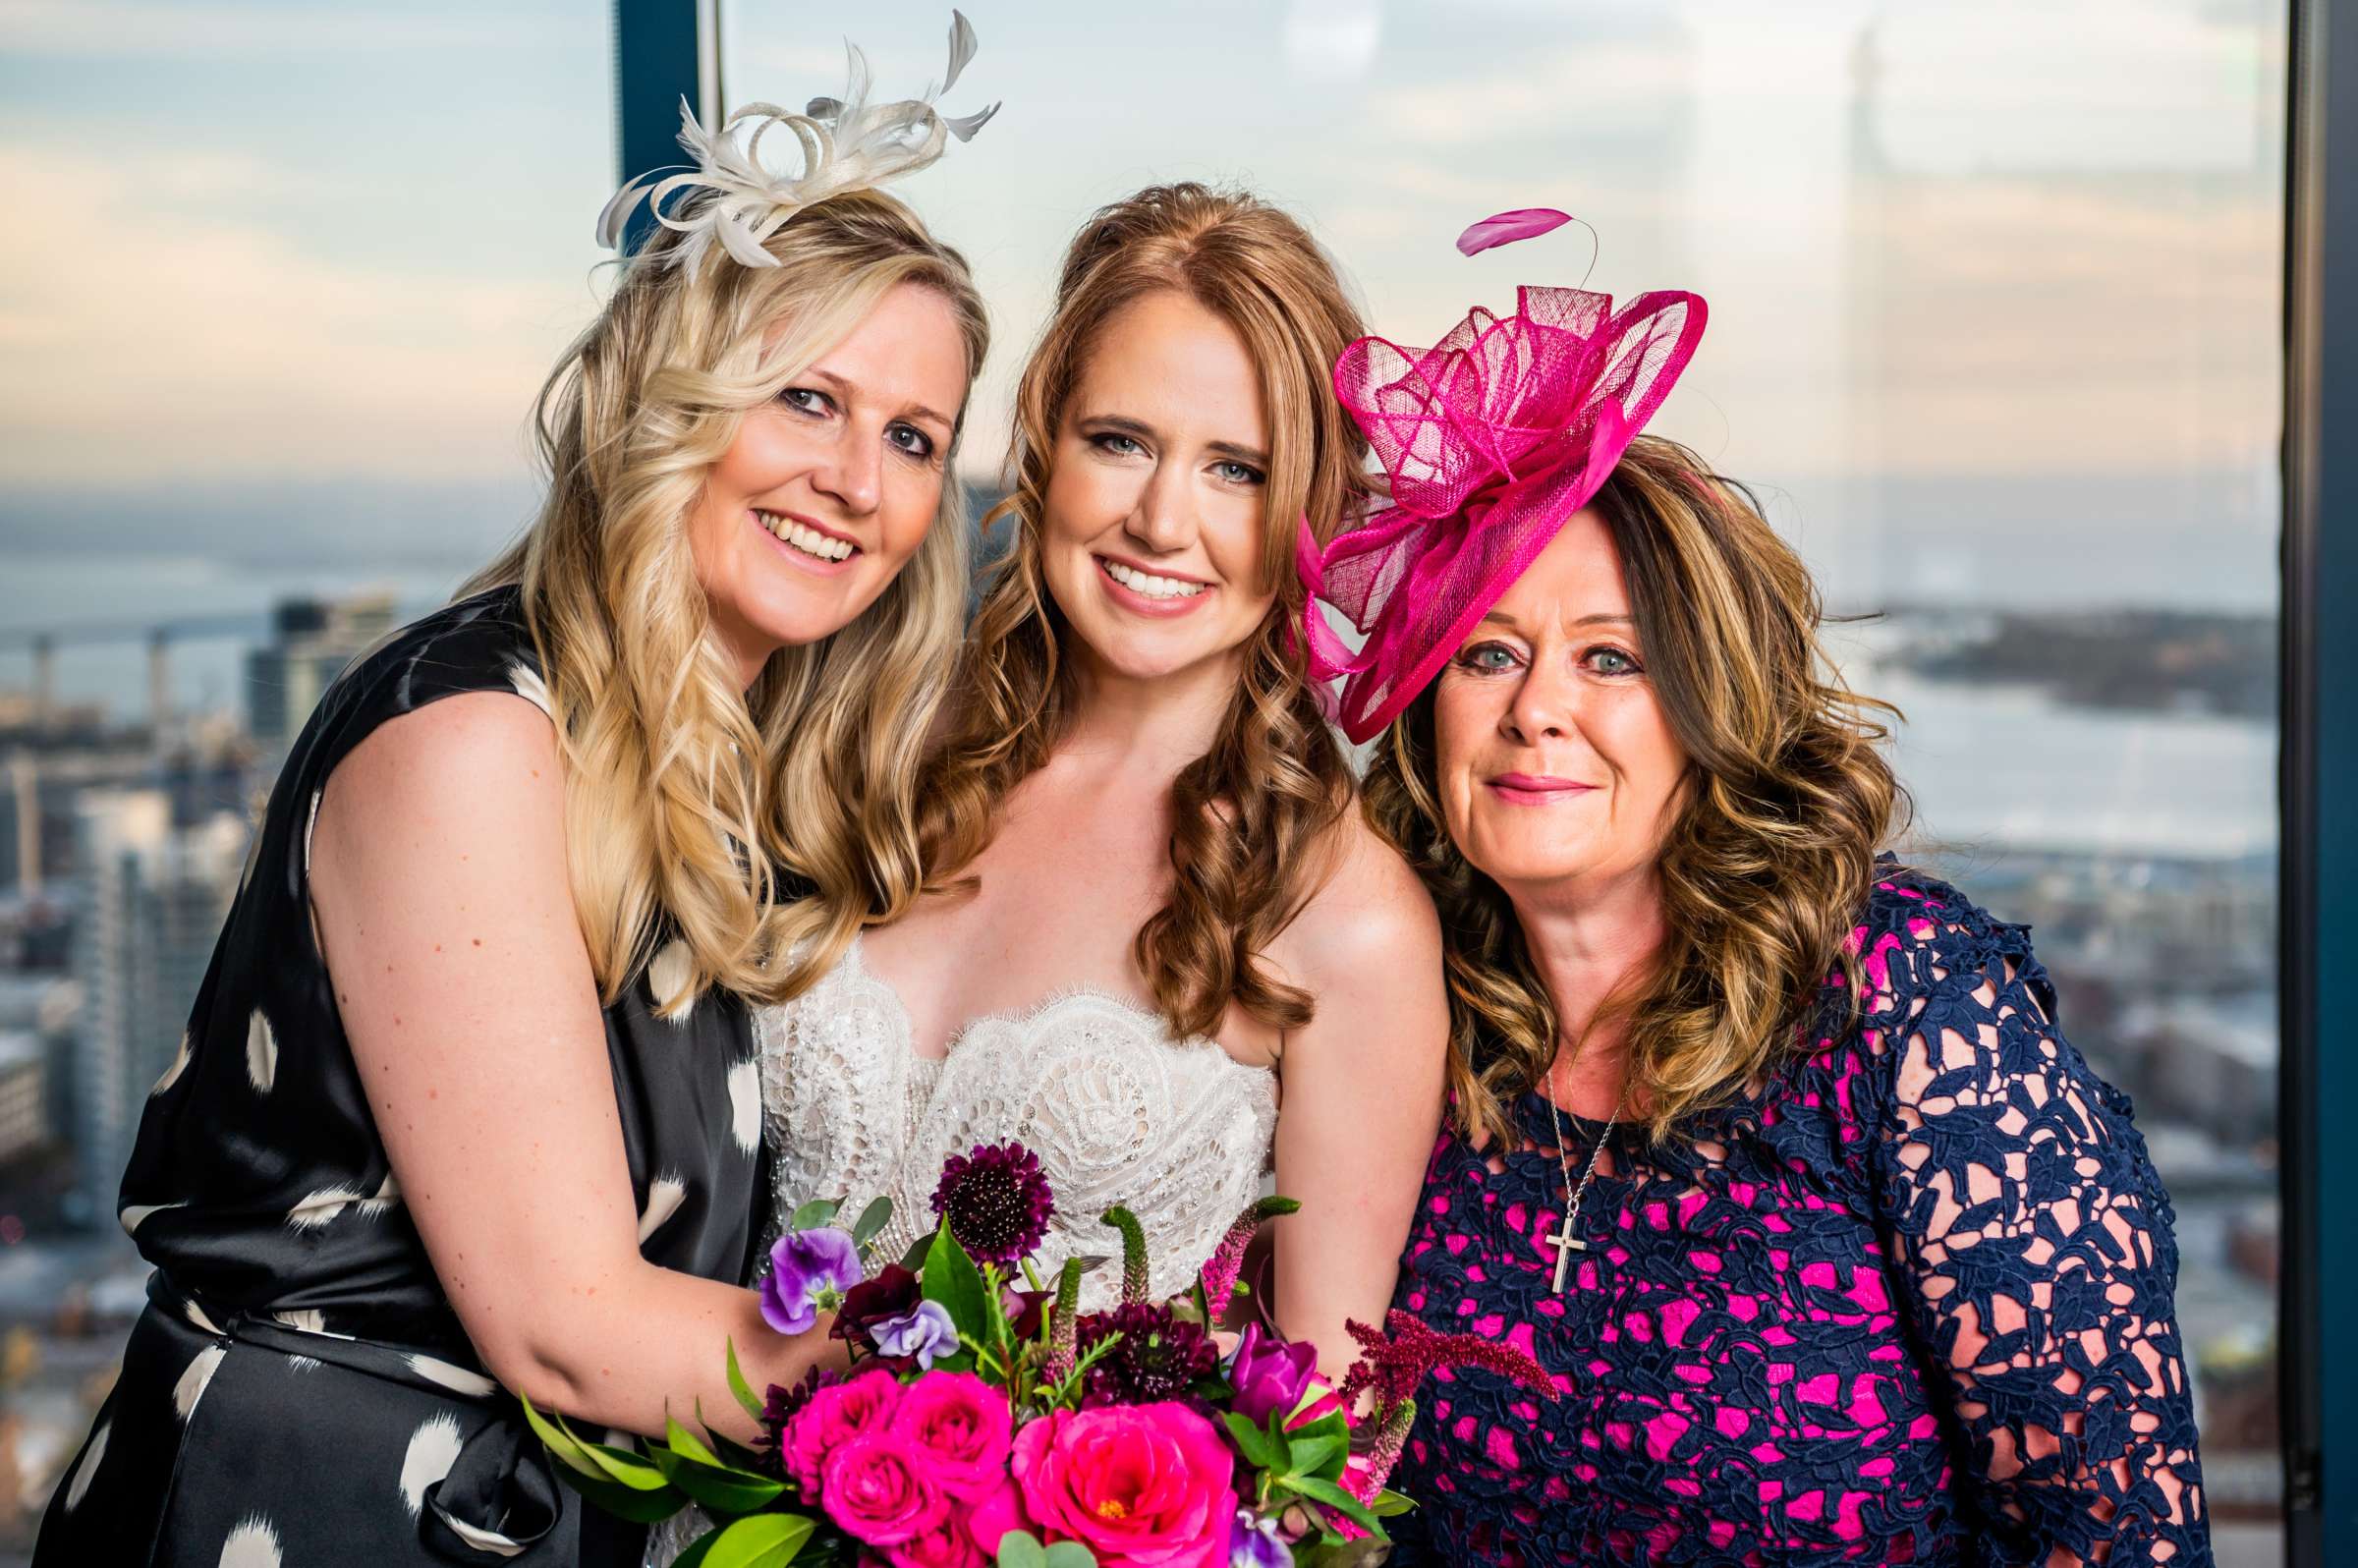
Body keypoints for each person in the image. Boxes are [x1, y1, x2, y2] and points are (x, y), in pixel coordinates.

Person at [34, 48, 998, 1567]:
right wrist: (1006, 1437)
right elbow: (568, 1328)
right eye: (807, 398)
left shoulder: (730, 758)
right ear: (675, 396)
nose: (858, 481)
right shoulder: (474, 737)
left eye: (914, 438)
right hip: (325, 1515)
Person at [1301, 249, 2211, 1562]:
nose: (1534, 708)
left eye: (1609, 657)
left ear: (1706, 704)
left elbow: (2110, 1534)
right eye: (1488, 651)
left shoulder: (1908, 1010)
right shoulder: (1413, 1017)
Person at [752, 184, 1448, 1379]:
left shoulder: (1346, 917)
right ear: (1044, 445)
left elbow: (1319, 1446)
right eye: (1120, 441)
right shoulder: (876, 745)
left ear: (1311, 513)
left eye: (1237, 469)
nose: (1162, 520)